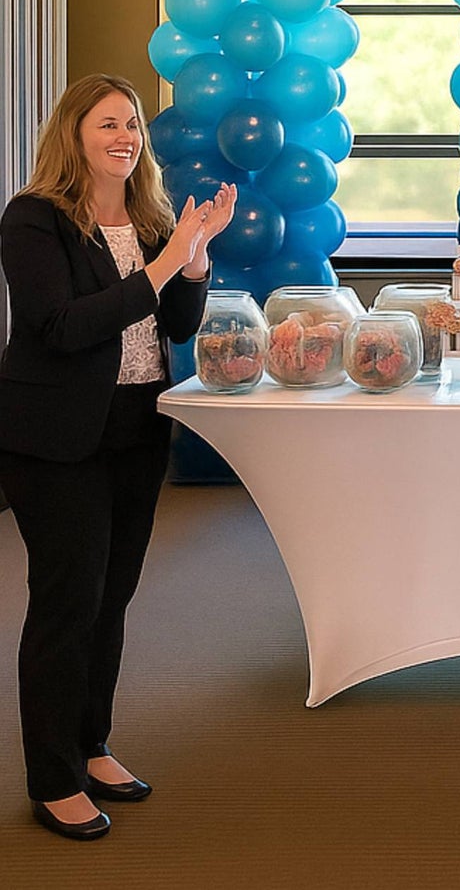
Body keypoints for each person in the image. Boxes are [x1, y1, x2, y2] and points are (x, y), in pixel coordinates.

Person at [0, 74, 236, 841]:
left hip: (136, 429)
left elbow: (173, 324)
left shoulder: (149, 218)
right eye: (108, 123)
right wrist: (167, 263)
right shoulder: (34, 220)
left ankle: (90, 744)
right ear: (73, 134)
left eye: (131, 124)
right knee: (67, 604)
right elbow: (66, 326)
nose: (125, 136)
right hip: (56, 438)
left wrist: (194, 259)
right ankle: (53, 778)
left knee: (112, 599)